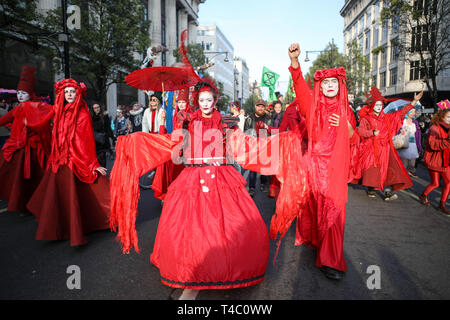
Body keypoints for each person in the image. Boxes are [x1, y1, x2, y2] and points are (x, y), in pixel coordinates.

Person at [110, 79, 270, 300]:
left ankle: (223, 269)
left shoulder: (226, 122)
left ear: (215, 101)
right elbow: (172, 145)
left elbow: (241, 145)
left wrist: (276, 146)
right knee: (192, 229)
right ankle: (195, 274)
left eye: (209, 100)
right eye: (202, 100)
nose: (205, 104)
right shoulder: (188, 121)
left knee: (225, 225)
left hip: (221, 177)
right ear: (198, 101)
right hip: (193, 177)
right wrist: (144, 137)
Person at [288, 42, 359, 280]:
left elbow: (354, 138)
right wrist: (295, 62)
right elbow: (300, 88)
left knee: (335, 213)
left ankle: (331, 261)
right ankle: (319, 245)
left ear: (340, 85)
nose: (329, 86)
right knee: (317, 210)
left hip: (336, 170)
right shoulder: (313, 106)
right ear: (321, 86)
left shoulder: (347, 110)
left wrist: (347, 127)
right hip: (315, 169)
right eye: (325, 83)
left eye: (333, 82)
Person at [26, 79, 110, 246]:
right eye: (67, 92)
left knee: (81, 193)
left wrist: (93, 164)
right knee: (59, 196)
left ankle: (84, 226)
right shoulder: (59, 111)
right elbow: (43, 123)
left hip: (76, 159)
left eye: (72, 91)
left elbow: (85, 141)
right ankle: (62, 227)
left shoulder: (83, 114)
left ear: (77, 93)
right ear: (62, 94)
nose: (70, 95)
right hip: (60, 159)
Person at [0, 66, 52, 213]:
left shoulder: (38, 105)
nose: (20, 96)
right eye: (18, 93)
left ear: (30, 93)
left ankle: (37, 202)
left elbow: (53, 111)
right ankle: (25, 203)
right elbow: (4, 119)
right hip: (20, 148)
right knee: (20, 179)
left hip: (34, 150)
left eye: (24, 93)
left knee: (35, 177)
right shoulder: (18, 108)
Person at [355, 87, 421, 200]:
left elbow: (401, 113)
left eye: (380, 105)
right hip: (370, 148)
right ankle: (371, 188)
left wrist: (413, 102)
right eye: (376, 105)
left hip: (385, 148)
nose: (378, 107)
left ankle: (387, 191)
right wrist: (372, 132)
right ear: (372, 106)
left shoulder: (387, 117)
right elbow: (360, 131)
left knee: (387, 169)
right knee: (372, 170)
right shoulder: (366, 118)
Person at [419, 107, 450, 214]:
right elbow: (433, 145)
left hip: (446, 161)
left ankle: (442, 204)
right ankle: (423, 195)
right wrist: (447, 141)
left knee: (448, 182)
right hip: (435, 160)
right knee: (435, 183)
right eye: (448, 117)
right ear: (441, 117)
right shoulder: (434, 128)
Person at [243, 99, 273, 196]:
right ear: (255, 107)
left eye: (262, 106)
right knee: (252, 168)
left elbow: (272, 132)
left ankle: (263, 184)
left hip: (264, 144)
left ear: (264, 108)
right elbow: (245, 132)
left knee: (264, 166)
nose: (260, 108)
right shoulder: (249, 118)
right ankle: (252, 187)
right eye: (258, 106)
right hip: (253, 145)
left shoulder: (268, 118)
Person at [397, 108, 422, 178]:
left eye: (414, 111)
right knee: (404, 163)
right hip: (404, 144)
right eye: (412, 112)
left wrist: (419, 147)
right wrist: (401, 132)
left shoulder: (415, 122)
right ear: (407, 113)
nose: (414, 113)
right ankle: (403, 178)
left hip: (413, 144)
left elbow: (418, 135)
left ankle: (407, 173)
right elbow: (397, 132)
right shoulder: (402, 121)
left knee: (412, 164)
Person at [91, 103, 114, 168]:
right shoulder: (91, 118)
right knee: (96, 158)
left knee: (103, 158)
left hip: (103, 140)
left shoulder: (104, 116)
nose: (97, 109)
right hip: (95, 141)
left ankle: (103, 174)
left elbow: (108, 128)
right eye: (95, 108)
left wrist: (113, 138)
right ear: (93, 109)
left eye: (98, 107)